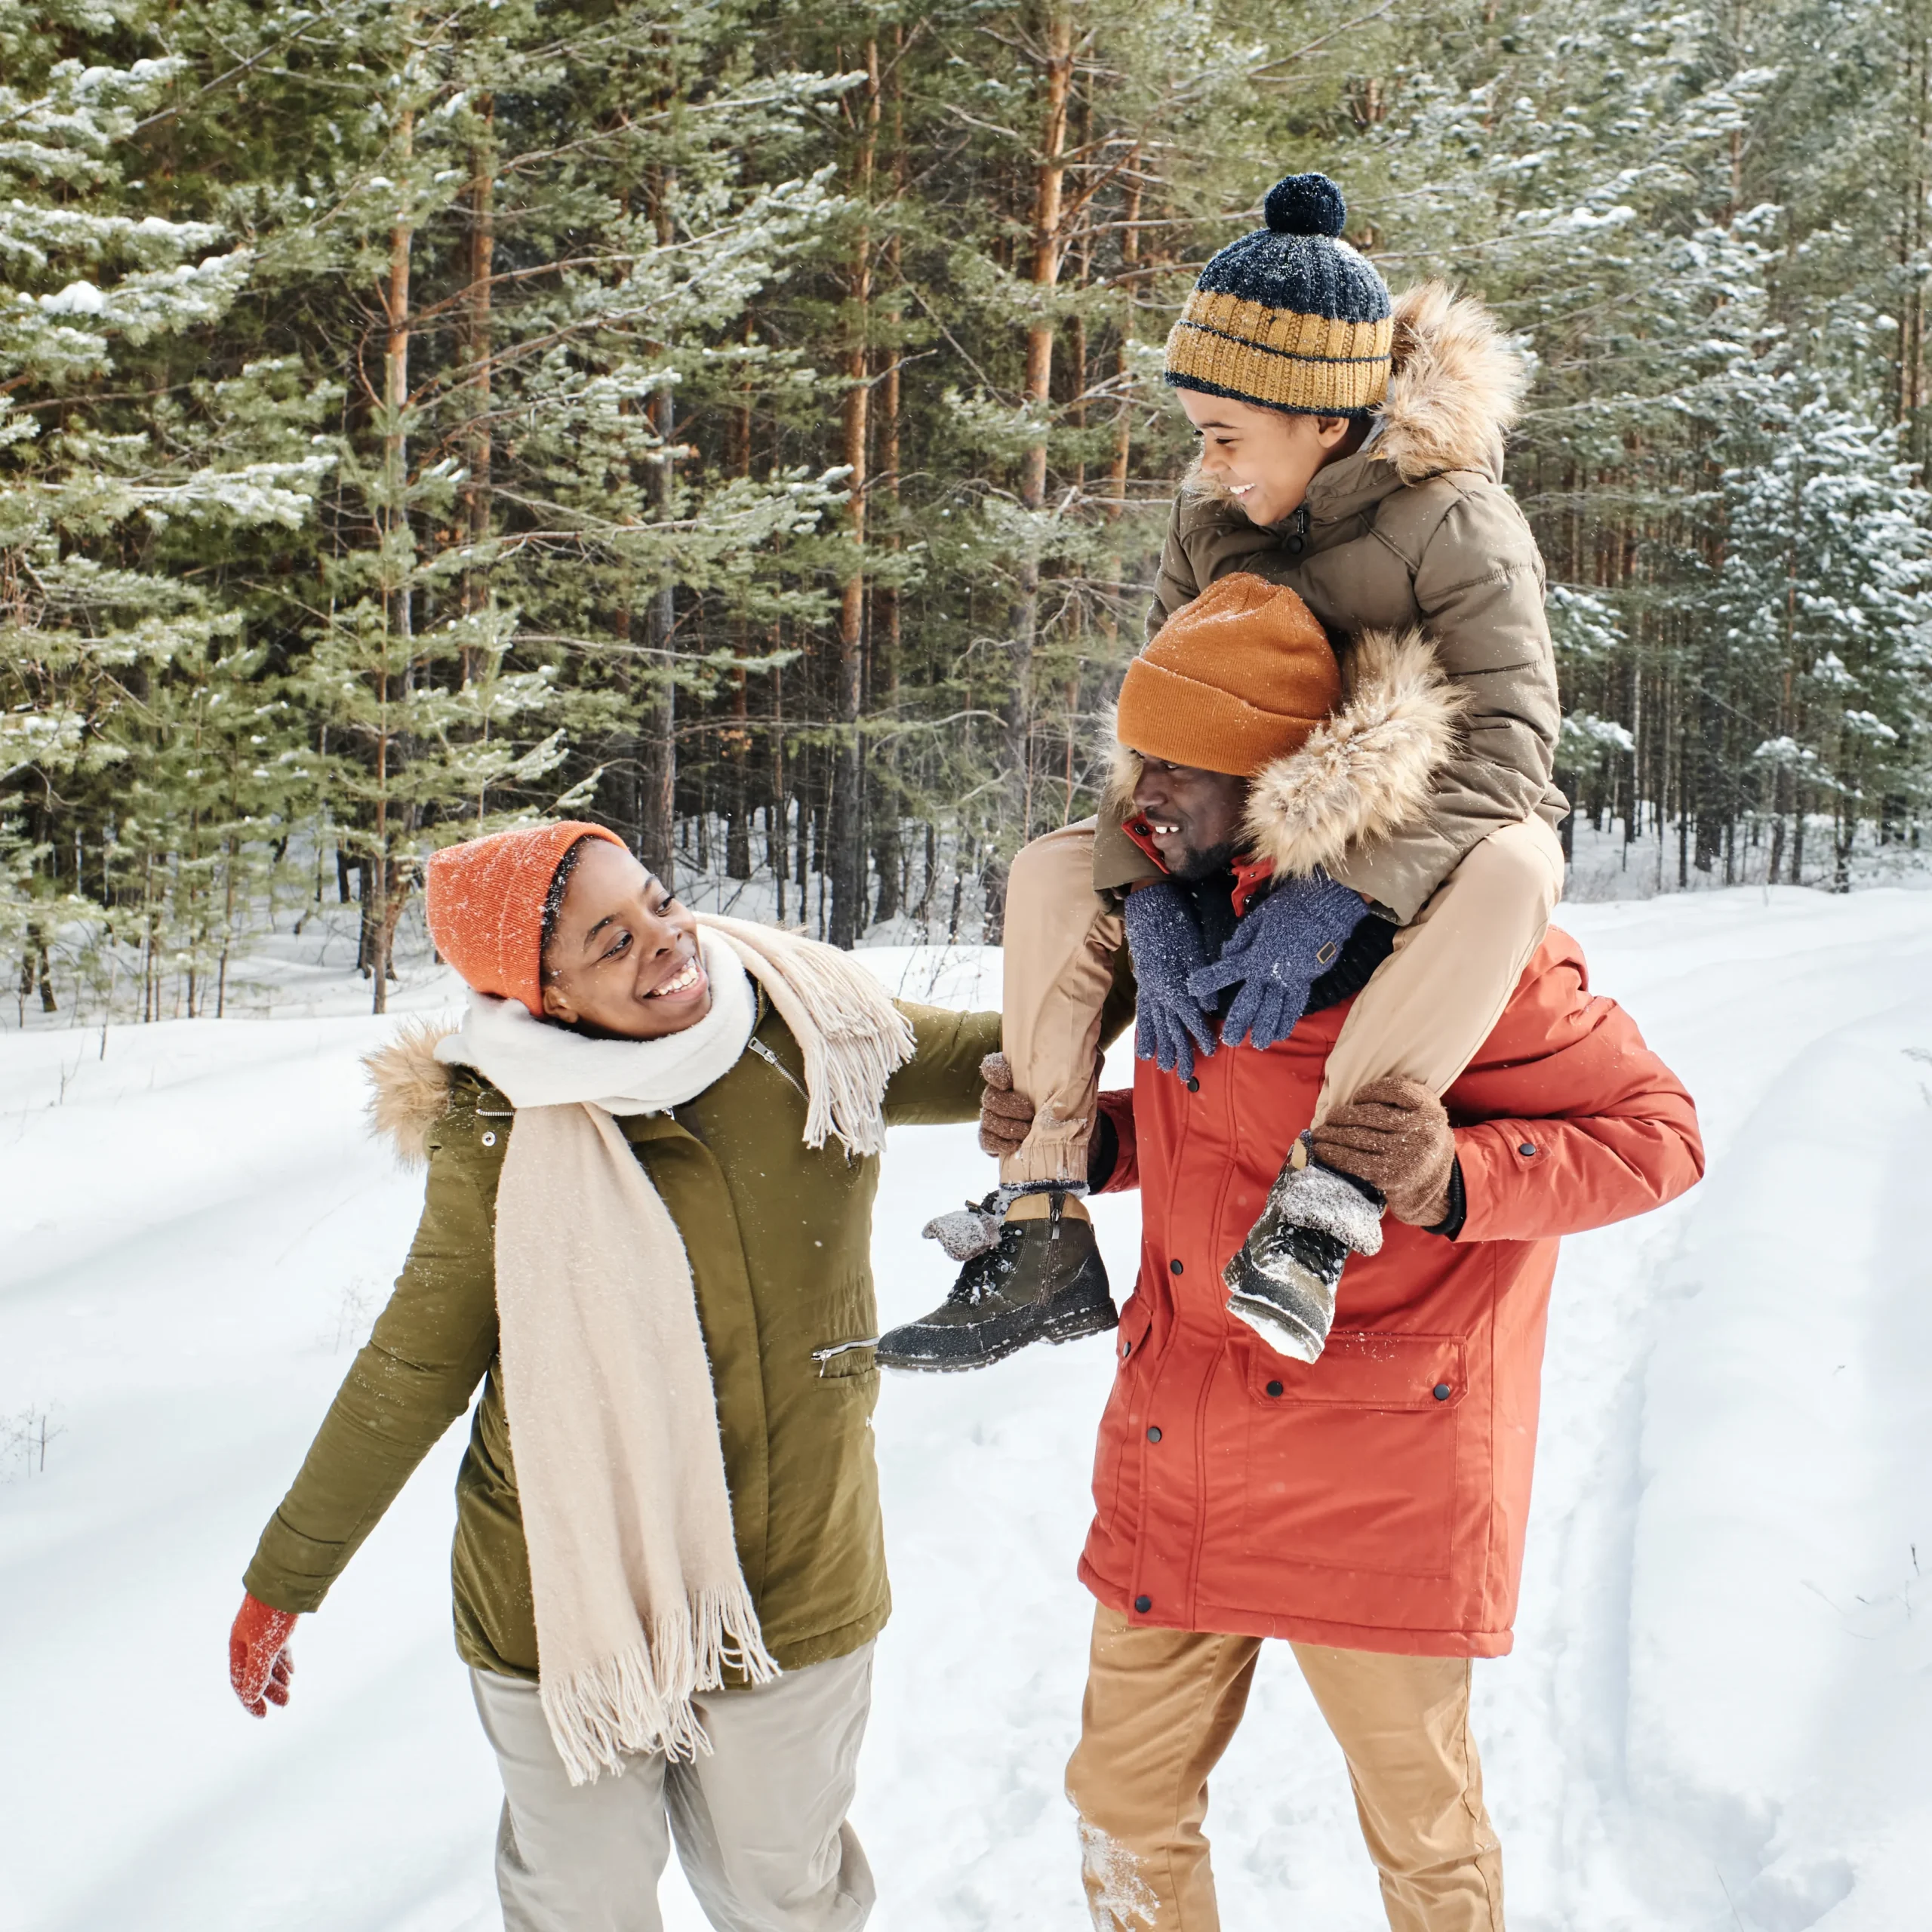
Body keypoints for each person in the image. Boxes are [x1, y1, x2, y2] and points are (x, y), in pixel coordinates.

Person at [983, 629, 1703, 1929]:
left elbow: (1660, 1138)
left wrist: (1449, 1178)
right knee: (1122, 1807)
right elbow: (1224, 1132)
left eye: (1183, 766)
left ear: (1281, 777)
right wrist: (1099, 1138)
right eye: (1136, 755)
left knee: (1423, 1841)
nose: (1143, 791)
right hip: (1182, 1435)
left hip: (1383, 1460)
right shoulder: (1165, 925)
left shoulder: (1457, 949)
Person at [225, 822, 998, 1932]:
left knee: (786, 1898)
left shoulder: (807, 1028)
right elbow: (415, 1361)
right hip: (562, 1591)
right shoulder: (498, 1119)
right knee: (581, 1905)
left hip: (790, 1577)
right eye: (611, 940)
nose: (667, 942)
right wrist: (283, 1581)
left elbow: (1020, 1053)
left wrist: (1166, 932)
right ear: (543, 998)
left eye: (658, 901)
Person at [878, 167, 1567, 1374]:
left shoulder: (1457, 522)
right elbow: (1160, 726)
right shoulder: (1210, 522)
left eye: (1226, 435)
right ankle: (1040, 1221)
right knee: (1052, 874)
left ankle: (1322, 1205)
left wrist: (1345, 891)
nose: (1211, 465)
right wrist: (1153, 894)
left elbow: (1512, 745)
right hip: (1236, 824)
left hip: (1410, 829)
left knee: (1520, 864)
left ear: (1321, 415)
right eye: (1201, 437)